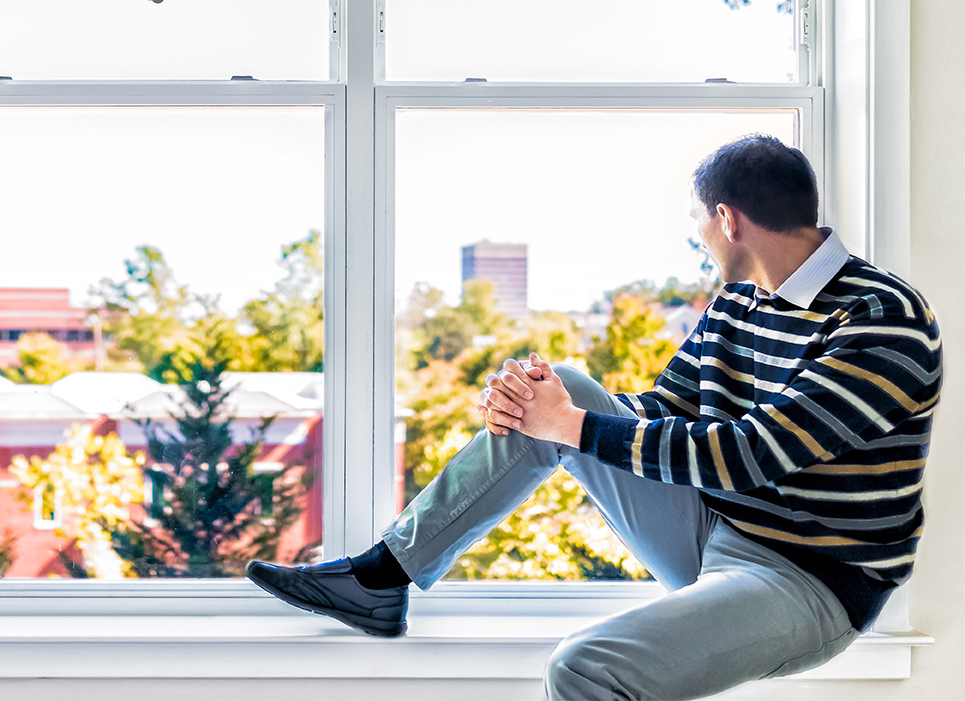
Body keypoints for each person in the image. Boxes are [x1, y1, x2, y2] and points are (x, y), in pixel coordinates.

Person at [247, 135, 942, 700]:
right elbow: (662, 410)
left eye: (698, 222)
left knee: (584, 668)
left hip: (808, 580)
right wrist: (537, 404)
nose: (698, 239)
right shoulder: (739, 301)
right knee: (566, 385)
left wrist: (569, 427)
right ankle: (381, 575)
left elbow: (753, 453)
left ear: (727, 218)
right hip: (714, 524)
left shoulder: (882, 317)